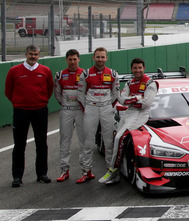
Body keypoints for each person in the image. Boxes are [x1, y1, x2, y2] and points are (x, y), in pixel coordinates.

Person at [99, 58, 157, 185]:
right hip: (128, 113)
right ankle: (117, 174)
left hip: (140, 115)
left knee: (119, 138)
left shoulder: (150, 83)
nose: (137, 70)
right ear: (131, 69)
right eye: (135, 68)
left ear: (144, 68)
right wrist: (137, 98)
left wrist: (131, 99)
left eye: (140, 68)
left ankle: (112, 170)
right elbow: (121, 100)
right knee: (116, 139)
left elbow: (145, 104)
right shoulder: (130, 83)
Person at [5, 45, 53, 187]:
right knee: (19, 144)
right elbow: (8, 90)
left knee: (41, 143)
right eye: (31, 54)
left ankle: (42, 174)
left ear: (39, 55)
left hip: (40, 110)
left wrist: (40, 101)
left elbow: (49, 89)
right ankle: (17, 176)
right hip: (21, 111)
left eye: (36, 54)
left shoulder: (45, 70)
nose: (33, 57)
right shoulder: (14, 71)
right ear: (26, 54)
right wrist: (19, 103)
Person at [77, 47, 120, 183]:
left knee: (108, 142)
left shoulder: (113, 74)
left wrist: (108, 106)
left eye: (102, 57)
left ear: (106, 58)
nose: (100, 59)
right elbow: (80, 94)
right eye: (98, 57)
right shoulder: (86, 74)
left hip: (107, 109)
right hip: (91, 109)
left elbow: (116, 94)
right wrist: (88, 107)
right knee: (88, 141)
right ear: (93, 58)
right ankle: (86, 171)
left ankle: (110, 171)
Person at [53, 49, 86, 182]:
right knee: (65, 141)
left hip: (81, 110)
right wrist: (65, 104)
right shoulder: (60, 75)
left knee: (84, 140)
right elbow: (57, 94)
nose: (72, 62)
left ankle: (86, 170)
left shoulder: (85, 74)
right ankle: (64, 170)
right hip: (66, 109)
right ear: (66, 60)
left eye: (75, 59)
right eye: (70, 59)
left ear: (79, 59)